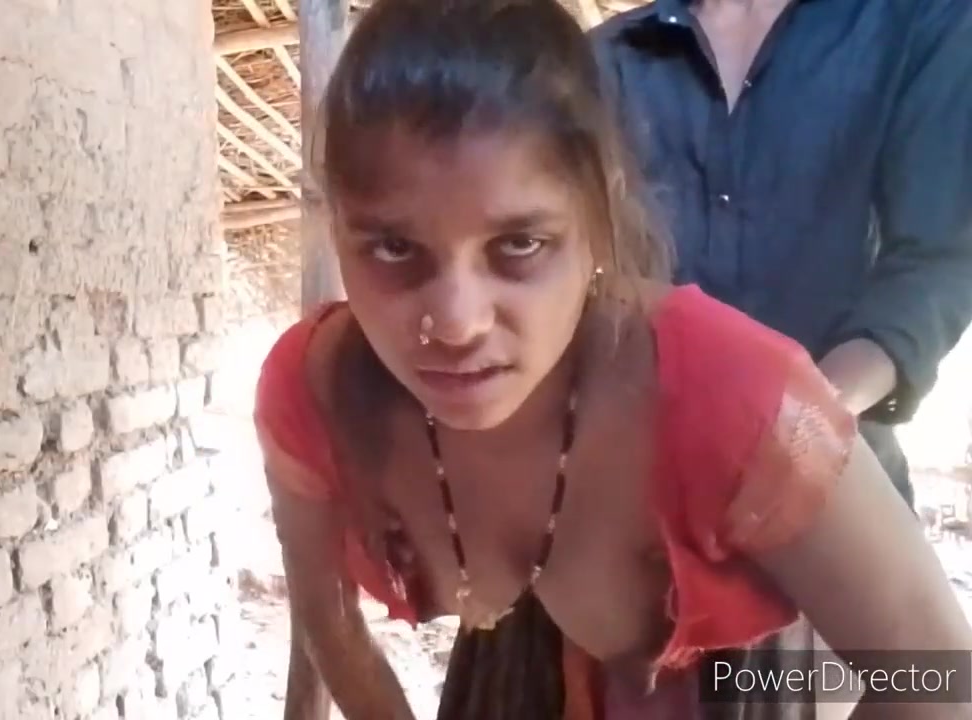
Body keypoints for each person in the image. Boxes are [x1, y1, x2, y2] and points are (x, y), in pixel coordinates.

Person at [252, 0, 972, 717]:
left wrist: (782, 439)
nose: (458, 323)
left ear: (600, 224)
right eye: (393, 248)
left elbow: (941, 681)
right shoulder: (318, 391)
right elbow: (330, 626)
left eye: (520, 245)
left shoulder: (743, 403)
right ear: (334, 228)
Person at [590, 0, 972, 510]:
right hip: (643, 492)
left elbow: (936, 262)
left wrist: (814, 418)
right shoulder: (607, 57)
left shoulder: (916, 23)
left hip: (840, 483)